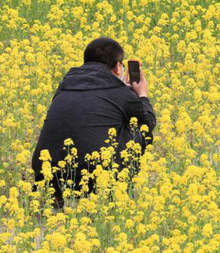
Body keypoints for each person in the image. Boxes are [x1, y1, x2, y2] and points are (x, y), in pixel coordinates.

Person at [31, 37, 156, 207]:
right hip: (95, 177)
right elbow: (148, 121)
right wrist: (141, 94)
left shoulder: (65, 86)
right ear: (118, 68)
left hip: (48, 173)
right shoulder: (120, 93)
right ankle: (118, 192)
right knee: (140, 127)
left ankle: (54, 195)